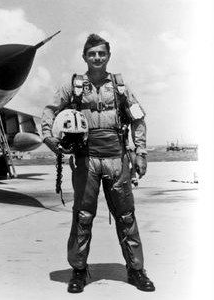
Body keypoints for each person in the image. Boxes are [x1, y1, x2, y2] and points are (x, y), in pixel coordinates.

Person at [41, 34, 155, 293]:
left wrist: (141, 153)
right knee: (82, 216)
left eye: (101, 53)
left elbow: (138, 119)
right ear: (84, 57)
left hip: (117, 159)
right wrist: (49, 137)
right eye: (92, 54)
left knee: (126, 216)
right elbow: (49, 109)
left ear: (108, 56)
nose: (97, 58)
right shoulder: (74, 86)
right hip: (86, 160)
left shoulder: (120, 87)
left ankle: (136, 270)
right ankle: (79, 270)